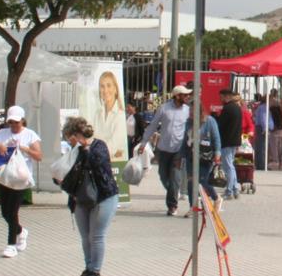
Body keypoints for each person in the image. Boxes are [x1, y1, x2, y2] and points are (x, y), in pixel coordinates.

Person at [61, 116, 118, 276]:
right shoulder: (73, 151)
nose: (69, 142)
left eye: (70, 138)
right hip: (81, 198)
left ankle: (96, 271)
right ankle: (88, 268)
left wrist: (86, 151)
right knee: (85, 237)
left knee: (97, 235)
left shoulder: (98, 146)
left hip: (103, 197)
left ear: (77, 135)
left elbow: (101, 168)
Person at [0, 105, 42, 258]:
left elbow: (39, 156)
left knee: (13, 210)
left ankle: (11, 244)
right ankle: (21, 231)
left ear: (22, 120)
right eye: (11, 122)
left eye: (17, 122)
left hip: (21, 177)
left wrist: (25, 149)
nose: (14, 125)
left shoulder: (30, 135)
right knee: (5, 211)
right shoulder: (1, 134)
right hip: (5, 176)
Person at [137, 85, 193, 216]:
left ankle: (172, 205)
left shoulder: (188, 111)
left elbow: (192, 128)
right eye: (185, 95)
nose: (187, 97)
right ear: (177, 96)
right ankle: (173, 191)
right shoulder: (164, 108)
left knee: (175, 177)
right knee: (163, 176)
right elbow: (153, 126)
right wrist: (143, 143)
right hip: (163, 149)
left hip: (179, 150)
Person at [217, 88, 244, 200]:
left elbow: (220, 124)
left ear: (227, 96)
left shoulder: (227, 108)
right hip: (234, 140)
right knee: (231, 166)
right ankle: (235, 189)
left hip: (227, 141)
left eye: (222, 96)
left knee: (228, 166)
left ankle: (229, 191)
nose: (220, 99)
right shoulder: (237, 108)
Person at [95, 70, 127, 161]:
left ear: (115, 89)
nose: (105, 90)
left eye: (108, 85)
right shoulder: (97, 114)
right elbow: (93, 139)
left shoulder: (120, 115)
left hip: (115, 165)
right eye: (102, 86)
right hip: (98, 163)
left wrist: (95, 150)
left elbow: (113, 146)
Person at [198, 107, 222, 210]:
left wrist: (217, 153)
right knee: (196, 180)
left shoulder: (210, 121)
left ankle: (216, 198)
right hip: (194, 155)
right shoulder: (189, 121)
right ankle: (204, 202)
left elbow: (216, 138)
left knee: (204, 180)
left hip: (207, 155)